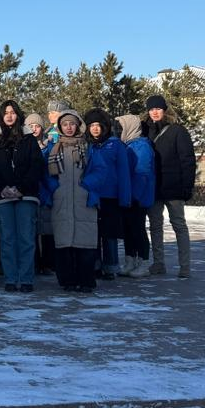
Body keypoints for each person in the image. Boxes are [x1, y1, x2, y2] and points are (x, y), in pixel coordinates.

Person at [0, 101, 45, 293]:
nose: (9, 116)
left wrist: (21, 188)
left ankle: (26, 278)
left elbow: (36, 166)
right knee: (7, 239)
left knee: (26, 238)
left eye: (13, 112)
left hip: (26, 196)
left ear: (18, 114)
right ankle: (10, 278)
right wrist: (1, 188)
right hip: (2, 197)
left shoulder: (29, 139)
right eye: (6, 113)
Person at [143, 94, 195, 278]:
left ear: (164, 110)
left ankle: (185, 266)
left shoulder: (177, 131)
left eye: (157, 108)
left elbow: (187, 160)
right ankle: (158, 263)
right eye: (151, 109)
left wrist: (187, 186)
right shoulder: (145, 131)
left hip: (174, 186)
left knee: (179, 225)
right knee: (155, 226)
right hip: (154, 187)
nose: (154, 112)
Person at [47, 109, 97, 293]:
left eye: (72, 124)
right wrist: (53, 189)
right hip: (61, 200)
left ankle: (86, 280)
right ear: (60, 127)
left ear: (78, 125)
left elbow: (99, 170)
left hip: (84, 201)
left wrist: (88, 186)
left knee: (85, 243)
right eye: (65, 124)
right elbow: (45, 175)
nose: (68, 127)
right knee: (64, 243)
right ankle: (67, 280)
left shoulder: (88, 147)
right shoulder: (53, 148)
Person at [83, 108, 131, 281]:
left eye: (98, 125)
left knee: (109, 234)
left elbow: (123, 172)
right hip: (91, 194)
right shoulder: (85, 145)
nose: (95, 129)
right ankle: (94, 264)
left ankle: (110, 266)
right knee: (92, 232)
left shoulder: (115, 144)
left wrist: (125, 197)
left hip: (111, 196)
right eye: (92, 125)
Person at [116, 114, 156, 279]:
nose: (119, 131)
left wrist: (135, 196)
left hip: (138, 197)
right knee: (127, 230)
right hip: (128, 195)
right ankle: (130, 260)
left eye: (121, 128)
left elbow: (142, 173)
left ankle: (144, 262)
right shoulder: (128, 145)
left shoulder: (141, 146)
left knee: (138, 229)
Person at [25, 113, 57, 275]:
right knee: (32, 230)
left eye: (37, 126)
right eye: (30, 126)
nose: (34, 129)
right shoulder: (24, 147)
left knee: (48, 230)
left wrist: (51, 190)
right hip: (31, 192)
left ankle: (49, 263)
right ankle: (36, 263)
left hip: (47, 193)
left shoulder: (49, 146)